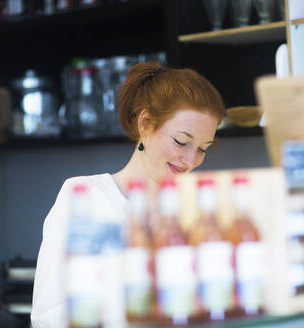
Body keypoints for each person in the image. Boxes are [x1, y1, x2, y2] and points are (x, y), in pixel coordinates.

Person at [30, 61, 226, 327]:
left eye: (204, 148)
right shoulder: (84, 197)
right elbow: (47, 317)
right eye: (181, 141)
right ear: (146, 123)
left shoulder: (195, 213)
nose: (191, 159)